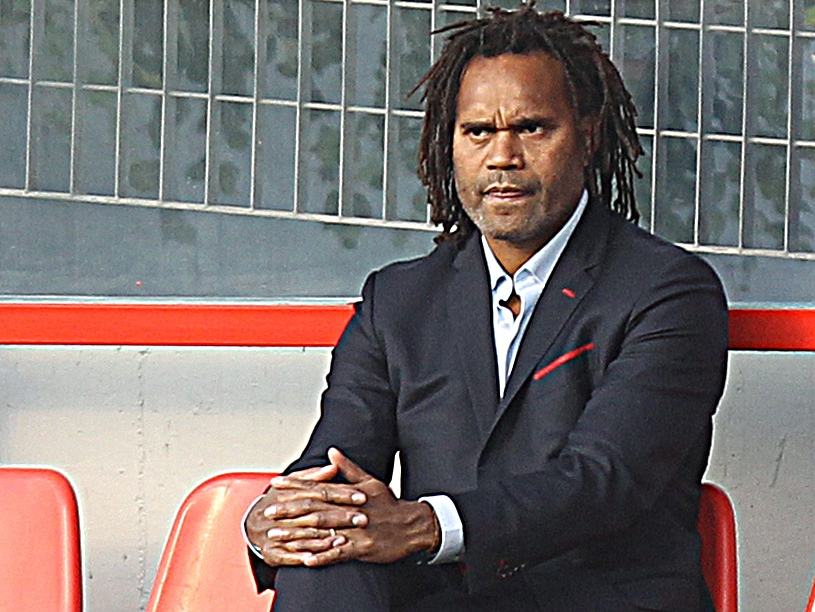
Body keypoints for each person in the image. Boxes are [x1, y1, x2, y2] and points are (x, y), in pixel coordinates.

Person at [244, 4, 728, 610]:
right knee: (323, 562)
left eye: (532, 128)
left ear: (587, 135)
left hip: (593, 596)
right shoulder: (398, 301)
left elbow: (603, 481)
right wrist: (276, 522)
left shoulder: (668, 292)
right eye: (477, 132)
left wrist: (427, 525)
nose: (502, 156)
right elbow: (337, 464)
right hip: (445, 596)